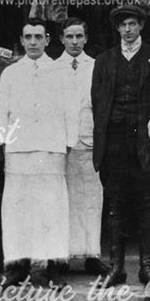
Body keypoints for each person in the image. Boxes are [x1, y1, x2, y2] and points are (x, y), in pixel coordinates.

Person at [91, 4, 150, 285]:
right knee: (115, 205)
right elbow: (97, 104)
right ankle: (117, 267)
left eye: (132, 24)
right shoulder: (104, 61)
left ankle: (146, 267)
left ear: (141, 26)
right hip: (114, 144)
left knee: (147, 204)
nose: (127, 29)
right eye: (123, 25)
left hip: (145, 145)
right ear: (117, 28)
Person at [0, 18, 78, 288]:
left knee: (50, 210)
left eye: (38, 37)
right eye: (28, 37)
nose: (32, 42)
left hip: (50, 150)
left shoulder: (60, 72)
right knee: (17, 209)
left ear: (47, 40)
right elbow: (3, 110)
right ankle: (17, 267)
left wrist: (67, 142)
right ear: (21, 40)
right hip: (18, 150)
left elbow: (70, 110)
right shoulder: (10, 73)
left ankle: (49, 268)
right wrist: (5, 140)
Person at [56, 19, 110, 276]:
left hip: (90, 142)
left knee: (92, 199)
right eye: (70, 36)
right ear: (61, 39)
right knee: (64, 199)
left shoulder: (97, 66)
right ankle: (63, 256)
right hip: (62, 144)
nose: (75, 41)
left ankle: (91, 254)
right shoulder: (53, 69)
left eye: (79, 36)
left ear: (86, 38)